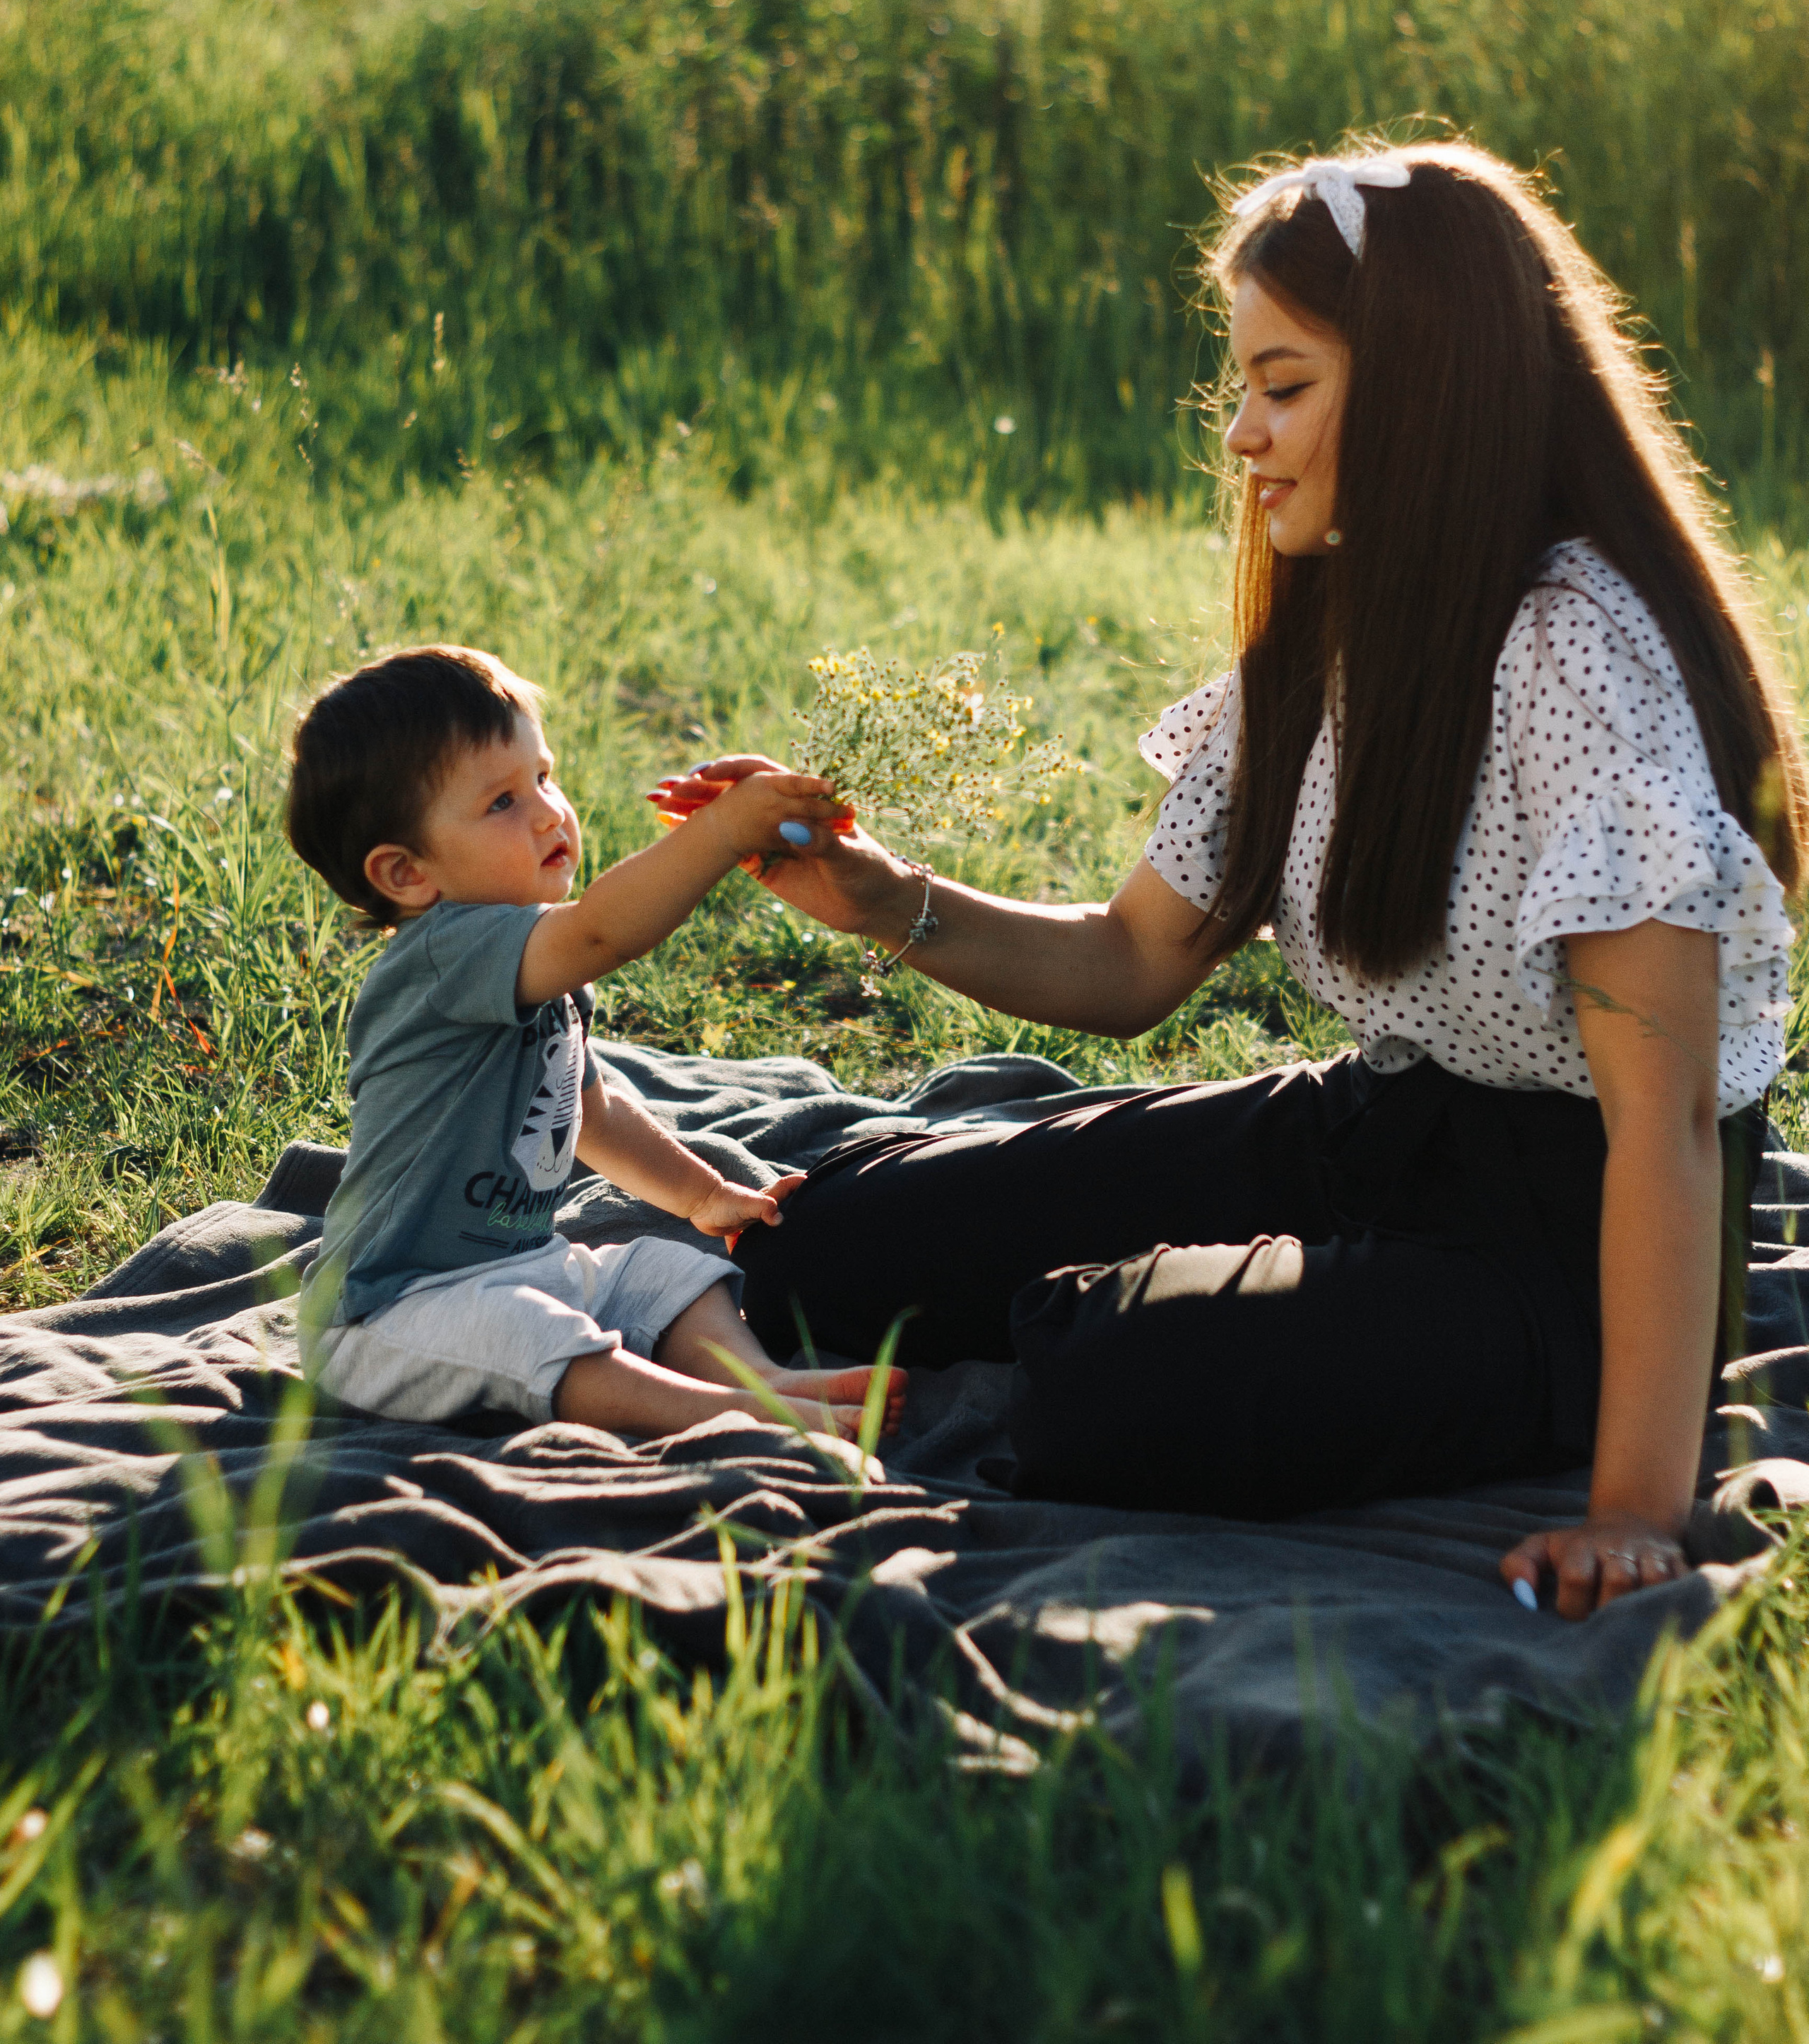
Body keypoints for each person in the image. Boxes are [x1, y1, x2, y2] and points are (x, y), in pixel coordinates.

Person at [654, 142, 1808, 1621]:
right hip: (1380, 1126)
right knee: (818, 1243)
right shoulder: (1338, 630)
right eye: (1241, 388)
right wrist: (882, 899)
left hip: (1574, 1240)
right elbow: (1132, 961)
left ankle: (1186, 1333)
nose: (1243, 436)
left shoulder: (1576, 653)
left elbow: (1666, 1125)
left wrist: (1633, 1511)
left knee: (1112, 1383)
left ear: (1428, 389)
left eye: (1286, 386)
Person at [284, 644, 897, 1444]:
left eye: (544, 777)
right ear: (407, 874)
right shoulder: (445, 955)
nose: (549, 812)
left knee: (669, 1270)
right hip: (387, 1312)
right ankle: (728, 1415)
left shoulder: (537, 965)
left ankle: (762, 1381)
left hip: (524, 1268)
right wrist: (717, 833)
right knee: (530, 1332)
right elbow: (604, 930)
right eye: (502, 802)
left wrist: (701, 1195)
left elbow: (590, 1111)